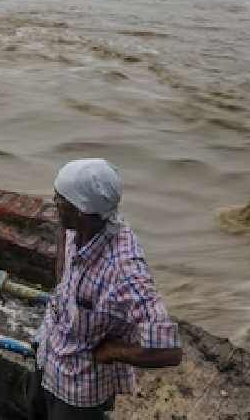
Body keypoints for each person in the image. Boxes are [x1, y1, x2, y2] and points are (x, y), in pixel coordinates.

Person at [34, 158, 183, 419]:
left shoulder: (124, 271)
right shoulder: (76, 227)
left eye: (60, 200)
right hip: (47, 352)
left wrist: (115, 351)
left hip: (78, 389)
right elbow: (63, 235)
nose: (54, 203)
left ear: (81, 211)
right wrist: (62, 283)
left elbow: (169, 350)